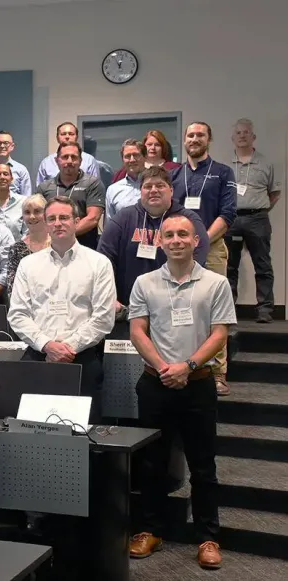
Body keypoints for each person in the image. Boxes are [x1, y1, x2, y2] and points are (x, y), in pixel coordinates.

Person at [127, 214, 234, 570]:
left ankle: (207, 537)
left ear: (196, 241)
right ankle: (150, 531)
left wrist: (186, 367)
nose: (175, 240)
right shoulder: (144, 282)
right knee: (151, 462)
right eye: (169, 234)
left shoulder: (216, 283)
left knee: (203, 466)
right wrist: (163, 368)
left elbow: (219, 334)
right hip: (155, 384)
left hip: (198, 384)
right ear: (161, 242)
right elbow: (138, 331)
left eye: (182, 234)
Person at [8, 197, 115, 423]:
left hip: (83, 360)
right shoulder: (28, 264)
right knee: (35, 431)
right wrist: (47, 345)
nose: (58, 223)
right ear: (46, 224)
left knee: (84, 434)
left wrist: (68, 348)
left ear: (76, 222)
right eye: (52, 219)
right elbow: (17, 314)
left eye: (64, 218)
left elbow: (103, 318)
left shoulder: (99, 263)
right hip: (39, 358)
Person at [170, 122, 235, 395]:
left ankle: (218, 374)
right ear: (184, 140)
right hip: (179, 251)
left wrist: (202, 241)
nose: (194, 139)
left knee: (215, 312)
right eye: (190, 135)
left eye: (200, 135)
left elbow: (228, 213)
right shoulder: (175, 175)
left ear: (209, 139)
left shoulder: (222, 172)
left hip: (214, 248)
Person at [98, 166, 210, 323]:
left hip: (177, 307)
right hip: (127, 309)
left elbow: (199, 258)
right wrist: (109, 297)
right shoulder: (123, 218)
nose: (153, 190)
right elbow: (103, 260)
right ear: (140, 191)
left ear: (171, 190)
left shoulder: (188, 219)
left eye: (160, 185)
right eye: (148, 186)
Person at [226, 118, 279, 324]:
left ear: (253, 136)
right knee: (229, 265)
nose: (242, 136)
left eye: (246, 132)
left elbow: (274, 193)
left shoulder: (266, 163)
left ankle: (265, 310)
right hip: (232, 219)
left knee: (262, 264)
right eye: (238, 133)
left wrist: (258, 209)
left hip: (258, 218)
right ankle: (228, 309)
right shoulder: (225, 166)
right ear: (233, 138)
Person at [35, 143, 106, 248]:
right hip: (51, 249)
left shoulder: (92, 183)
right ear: (57, 160)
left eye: (74, 157)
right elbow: (39, 219)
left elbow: (93, 218)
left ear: (80, 161)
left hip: (85, 248)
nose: (69, 161)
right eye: (65, 157)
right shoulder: (44, 187)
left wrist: (64, 234)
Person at [4, 194, 50, 293]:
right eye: (27, 212)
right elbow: (12, 287)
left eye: (37, 211)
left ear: (47, 214)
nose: (32, 217)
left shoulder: (59, 244)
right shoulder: (16, 248)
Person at [35, 122, 101, 185]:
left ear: (77, 137)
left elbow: (95, 187)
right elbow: (40, 193)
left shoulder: (89, 160)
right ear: (57, 138)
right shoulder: (46, 163)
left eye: (71, 134)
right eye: (63, 134)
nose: (67, 137)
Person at [111, 129, 181, 184]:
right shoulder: (128, 169)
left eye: (157, 145)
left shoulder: (174, 168)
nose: (153, 148)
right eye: (149, 144)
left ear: (163, 147)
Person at [105, 140, 147, 222]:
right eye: (127, 156)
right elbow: (110, 224)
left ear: (145, 157)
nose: (132, 160)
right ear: (123, 160)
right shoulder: (113, 190)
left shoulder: (156, 185)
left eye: (136, 155)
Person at [0, 162, 26, 240]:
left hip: (17, 250)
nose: (2, 177)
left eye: (5, 174)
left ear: (11, 179)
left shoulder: (23, 202)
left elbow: (27, 232)